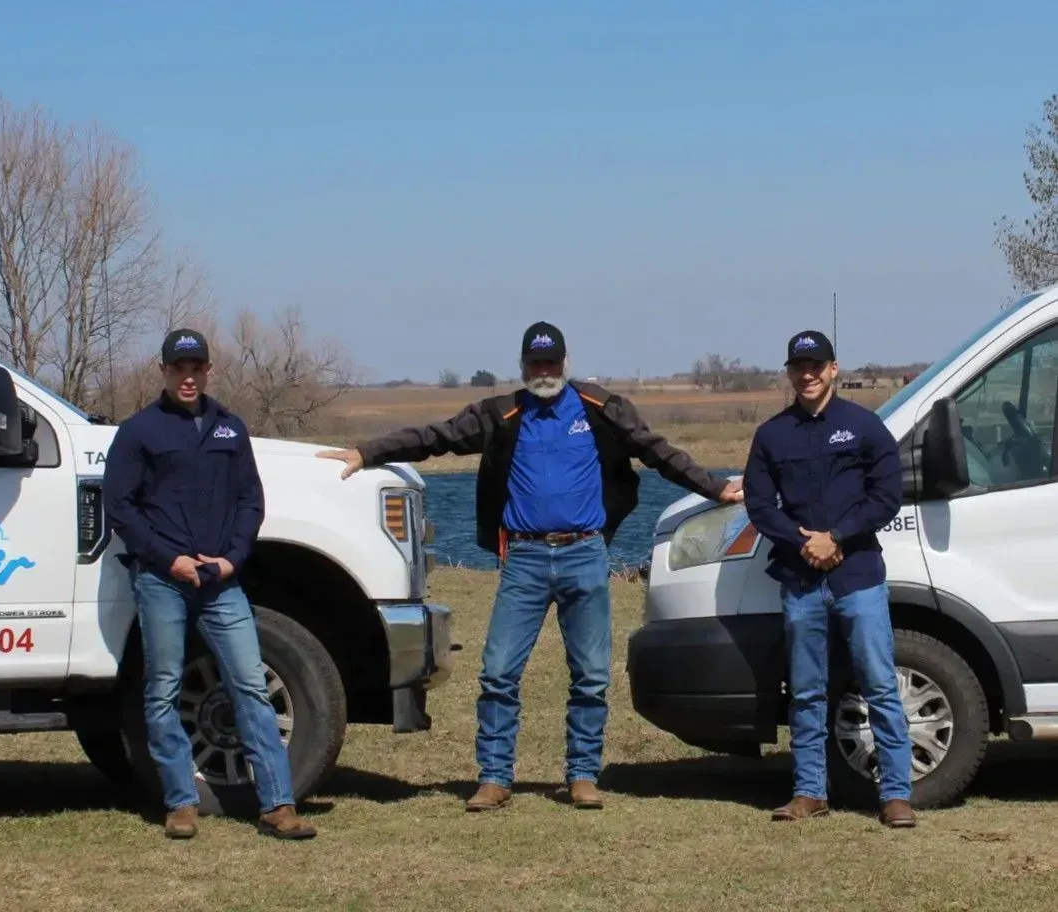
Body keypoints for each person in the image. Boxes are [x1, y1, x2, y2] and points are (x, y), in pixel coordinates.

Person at [317, 321, 743, 812]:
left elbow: (657, 451)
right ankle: (495, 778)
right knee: (498, 672)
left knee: (591, 675)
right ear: (523, 366)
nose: (544, 371)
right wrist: (365, 452)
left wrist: (715, 487)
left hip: (585, 554)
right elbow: (435, 438)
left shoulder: (599, 407)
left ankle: (583, 776)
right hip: (524, 560)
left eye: (552, 363)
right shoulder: (502, 413)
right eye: (535, 363)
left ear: (565, 363)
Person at [102, 328, 316, 841]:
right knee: (163, 690)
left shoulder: (230, 430)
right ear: (164, 372)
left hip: (222, 584)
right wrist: (167, 559)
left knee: (250, 686)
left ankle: (278, 805)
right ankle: (180, 803)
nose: (189, 377)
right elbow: (120, 509)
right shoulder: (138, 432)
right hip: (162, 581)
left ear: (209, 371)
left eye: (197, 367)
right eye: (179, 368)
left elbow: (251, 503)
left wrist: (231, 560)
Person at [741, 329, 915, 828]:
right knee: (806, 689)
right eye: (799, 366)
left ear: (834, 369)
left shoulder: (864, 427)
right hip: (801, 580)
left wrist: (837, 536)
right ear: (790, 372)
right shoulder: (772, 435)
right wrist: (803, 543)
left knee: (880, 684)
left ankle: (896, 795)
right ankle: (809, 791)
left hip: (857, 576)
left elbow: (887, 496)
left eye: (816, 365)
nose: (808, 374)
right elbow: (758, 504)